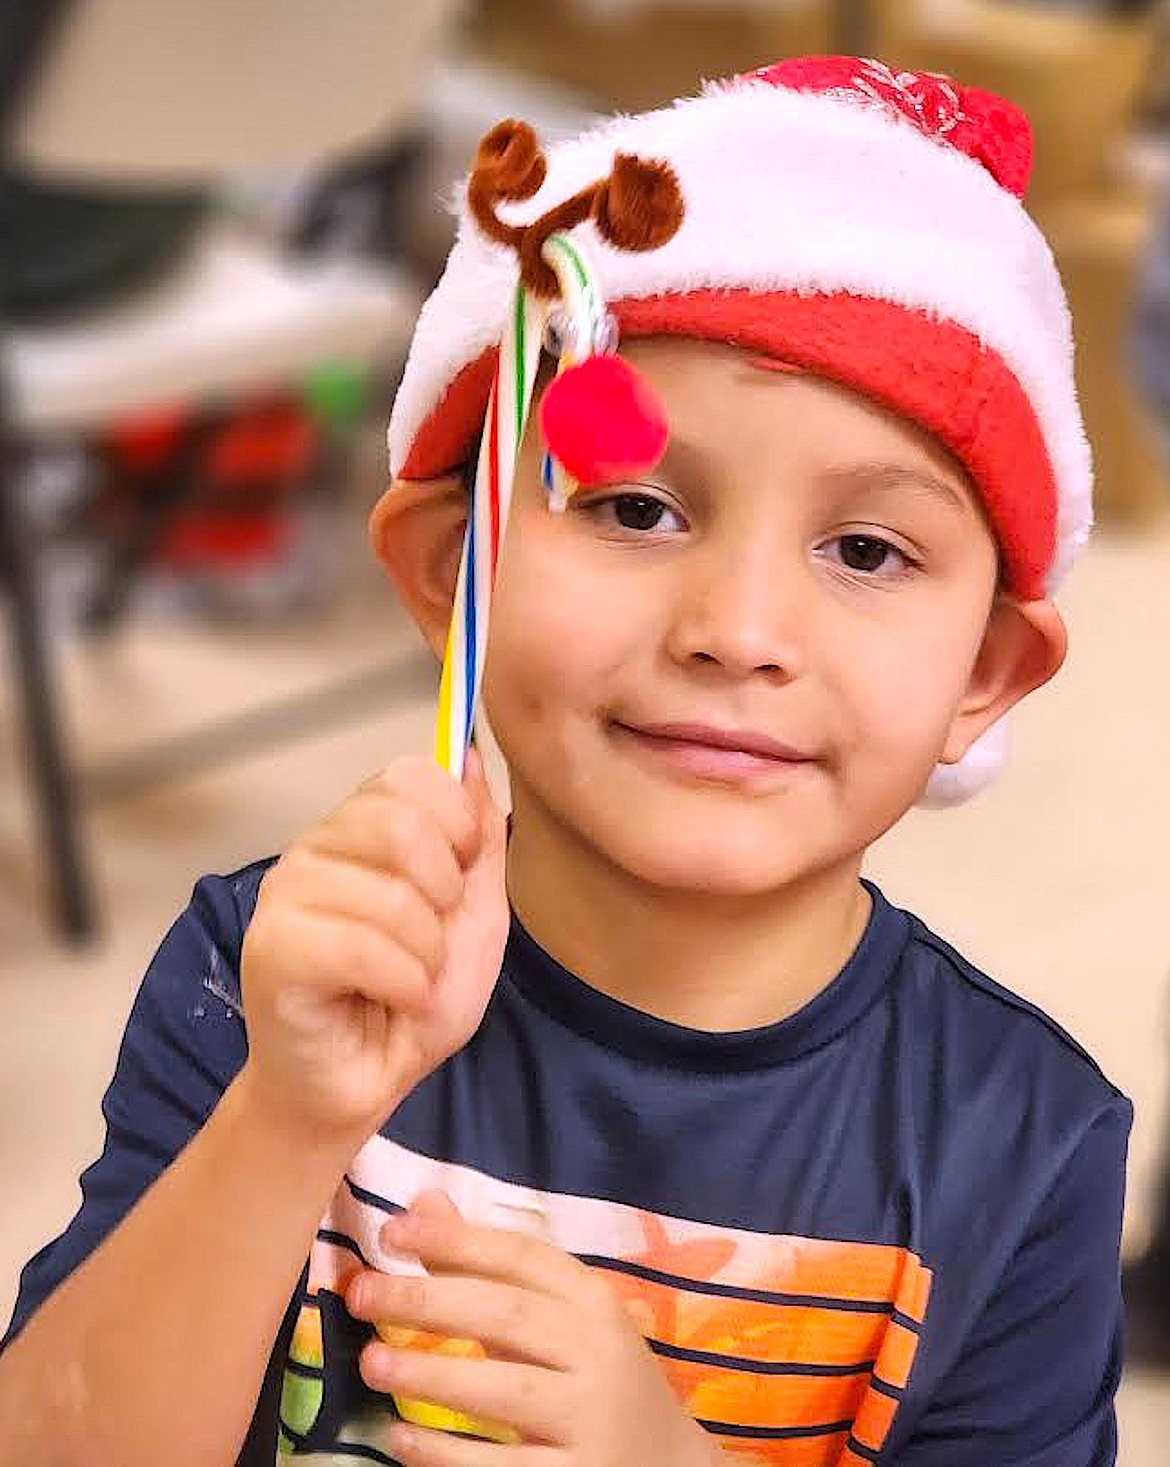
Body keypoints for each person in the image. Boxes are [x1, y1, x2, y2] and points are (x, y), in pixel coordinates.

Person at [0, 55, 1131, 1467]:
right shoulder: (270, 978)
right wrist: (288, 1119)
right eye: (638, 510)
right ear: (445, 571)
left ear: (983, 674)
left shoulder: (1020, 1143)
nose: (735, 631)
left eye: (863, 551)